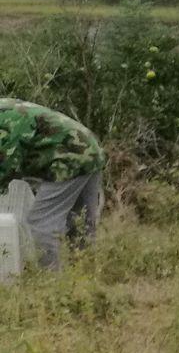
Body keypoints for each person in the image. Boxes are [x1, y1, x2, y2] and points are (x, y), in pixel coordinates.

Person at [0, 96, 104, 268]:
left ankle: (50, 280)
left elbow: (7, 162)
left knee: (40, 221)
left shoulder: (4, 118)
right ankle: (84, 278)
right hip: (89, 149)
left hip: (70, 156)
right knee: (80, 221)